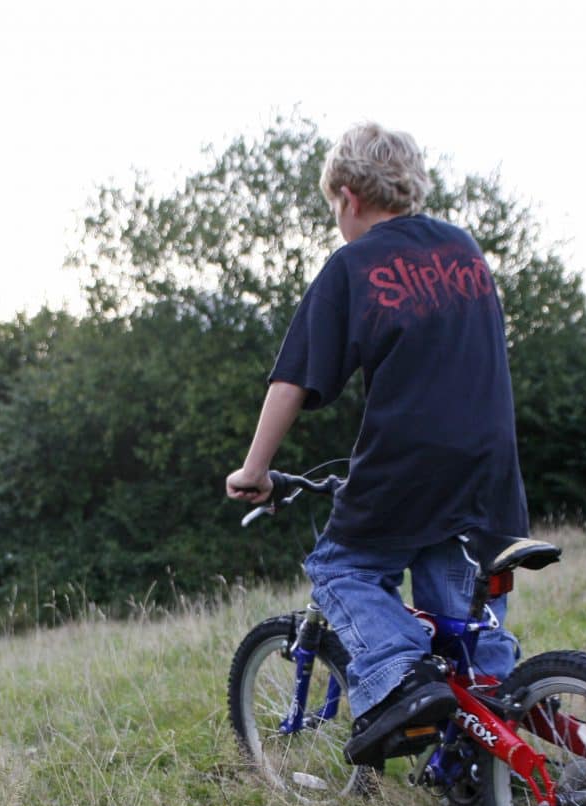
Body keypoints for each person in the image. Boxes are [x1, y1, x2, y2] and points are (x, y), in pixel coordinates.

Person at [225, 122, 529, 766]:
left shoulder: (355, 263)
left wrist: (256, 467)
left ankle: (399, 675)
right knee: (465, 631)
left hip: (409, 467)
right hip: (489, 471)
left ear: (346, 196)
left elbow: (295, 376)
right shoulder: (463, 249)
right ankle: (491, 747)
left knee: (341, 567)